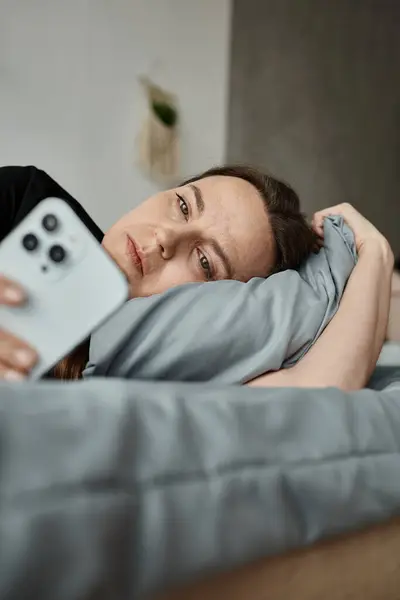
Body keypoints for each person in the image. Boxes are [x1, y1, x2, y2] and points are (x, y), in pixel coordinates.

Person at [0, 165, 393, 385]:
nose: (167, 237)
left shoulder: (160, 367)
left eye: (205, 262)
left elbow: (319, 392)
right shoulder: (26, 202)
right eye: (184, 206)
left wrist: (376, 255)